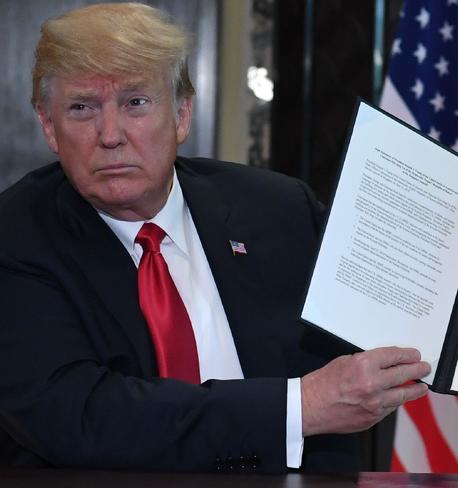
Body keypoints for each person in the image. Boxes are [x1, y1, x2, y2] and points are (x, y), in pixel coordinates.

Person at [0, 3, 431, 473]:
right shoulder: (18, 236)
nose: (110, 135)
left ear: (182, 114)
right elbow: (82, 417)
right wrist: (298, 407)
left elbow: (393, 320)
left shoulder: (279, 210)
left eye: (135, 103)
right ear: (49, 127)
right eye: (82, 108)